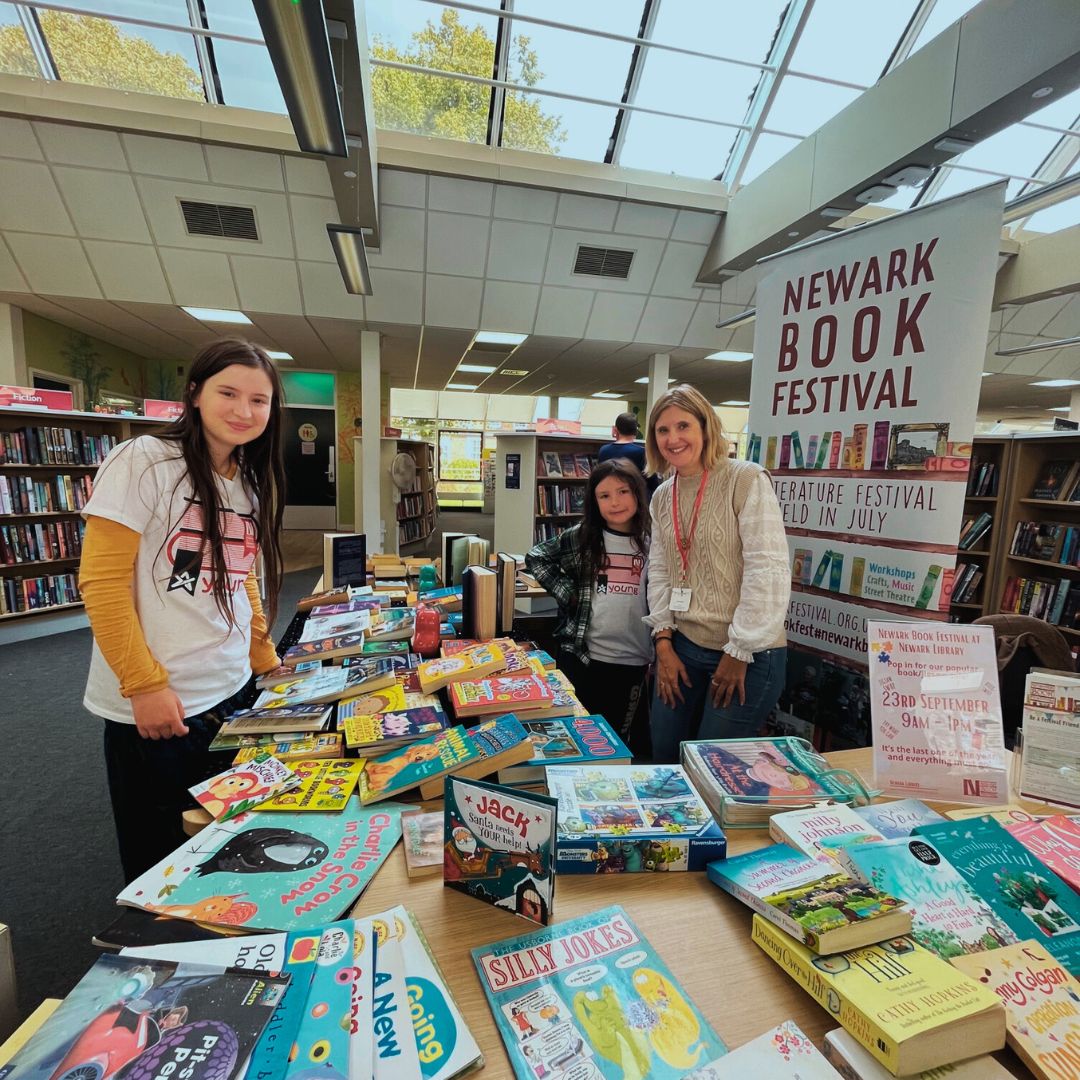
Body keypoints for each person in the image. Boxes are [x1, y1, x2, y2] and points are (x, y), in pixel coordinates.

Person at [79, 339, 287, 881]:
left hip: (232, 687)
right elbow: (101, 583)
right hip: (162, 703)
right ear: (195, 393)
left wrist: (262, 653)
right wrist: (143, 684)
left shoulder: (248, 482)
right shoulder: (144, 461)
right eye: (229, 393)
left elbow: (243, 580)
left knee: (225, 851)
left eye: (259, 400)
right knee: (162, 863)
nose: (244, 411)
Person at [644, 384, 789, 761]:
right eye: (662, 430)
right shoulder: (663, 494)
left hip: (749, 652)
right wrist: (663, 642)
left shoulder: (746, 479)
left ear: (706, 428)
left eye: (683, 426)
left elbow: (767, 568)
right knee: (663, 753)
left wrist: (739, 649)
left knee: (711, 766)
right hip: (684, 646)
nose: (673, 439)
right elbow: (660, 570)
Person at [525, 458, 652, 758]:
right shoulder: (583, 536)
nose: (615, 502)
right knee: (579, 734)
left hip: (632, 660)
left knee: (617, 740)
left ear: (637, 493)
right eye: (604, 496)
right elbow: (537, 556)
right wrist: (567, 592)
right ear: (594, 501)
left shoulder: (652, 541)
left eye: (623, 492)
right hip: (583, 656)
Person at [598, 411, 659, 496]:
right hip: (634, 499)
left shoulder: (603, 450)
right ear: (636, 431)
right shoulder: (641, 452)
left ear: (616, 429)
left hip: (610, 497)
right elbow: (653, 483)